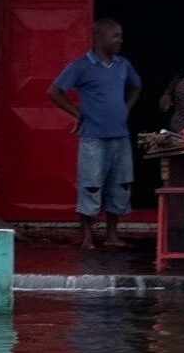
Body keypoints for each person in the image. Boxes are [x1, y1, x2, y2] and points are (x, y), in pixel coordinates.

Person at [47, 19, 142, 250]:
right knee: (90, 185)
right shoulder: (81, 66)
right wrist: (76, 112)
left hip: (119, 136)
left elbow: (136, 86)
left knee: (119, 185)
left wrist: (125, 109)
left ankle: (112, 235)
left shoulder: (123, 65)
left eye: (121, 35)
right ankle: (88, 236)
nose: (120, 40)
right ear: (99, 38)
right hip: (93, 137)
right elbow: (54, 91)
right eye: (116, 36)